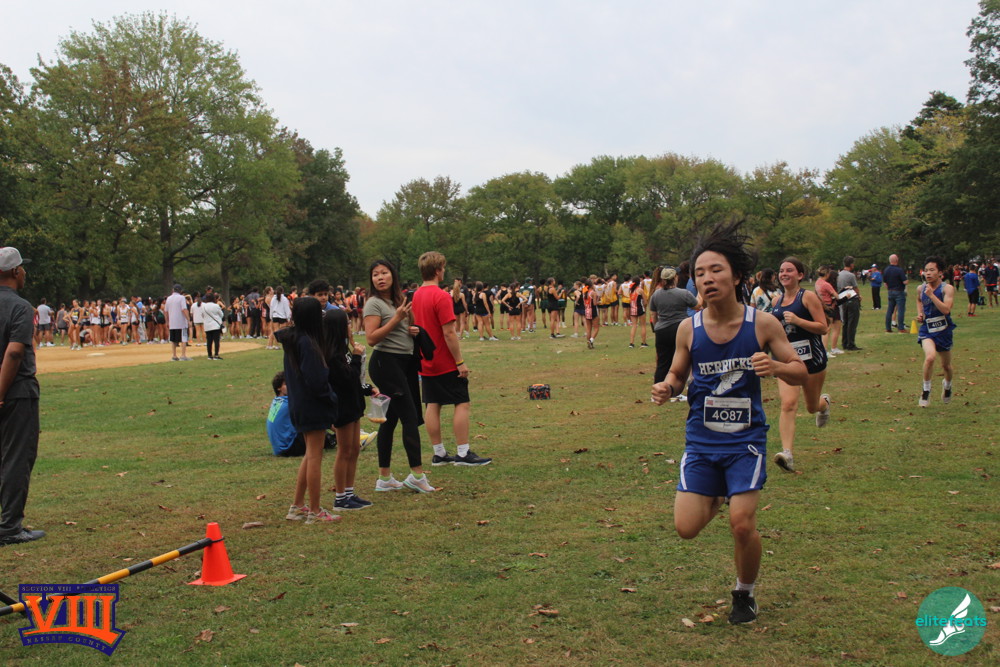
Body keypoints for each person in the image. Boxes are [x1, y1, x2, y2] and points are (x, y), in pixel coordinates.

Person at [651, 223, 806, 625]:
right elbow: (677, 373)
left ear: (736, 276)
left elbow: (800, 370)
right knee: (686, 528)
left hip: (745, 442)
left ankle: (744, 592)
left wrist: (775, 367)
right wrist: (667, 387)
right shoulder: (689, 328)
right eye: (700, 272)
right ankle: (719, 495)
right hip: (702, 442)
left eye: (716, 270)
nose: (707, 278)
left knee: (741, 525)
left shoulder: (763, 324)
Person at [412, 252, 492, 467]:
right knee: (462, 402)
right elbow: (449, 333)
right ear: (438, 270)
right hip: (444, 359)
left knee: (432, 403)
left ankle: (438, 453)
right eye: (443, 268)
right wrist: (459, 362)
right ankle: (463, 453)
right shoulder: (440, 296)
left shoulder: (416, 295)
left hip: (425, 358)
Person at [363, 260, 433, 493]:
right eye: (375, 274)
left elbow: (404, 329)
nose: (380, 277)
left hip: (404, 363)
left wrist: (413, 330)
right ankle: (417, 476)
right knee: (410, 417)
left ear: (393, 275)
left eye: (384, 273)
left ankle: (384, 478)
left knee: (390, 420)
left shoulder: (397, 301)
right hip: (386, 363)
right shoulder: (373, 303)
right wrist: (396, 319)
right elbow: (371, 338)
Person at [276, 296, 340, 524]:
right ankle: (314, 510)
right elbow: (317, 381)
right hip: (311, 405)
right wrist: (331, 399)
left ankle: (297, 506)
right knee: (315, 456)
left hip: (300, 404)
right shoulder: (307, 343)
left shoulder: (294, 339)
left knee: (310, 454)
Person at [0, 247, 45, 546]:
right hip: (15, 392)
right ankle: (10, 527)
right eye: (23, 268)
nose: (25, 273)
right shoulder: (20, 306)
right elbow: (15, 352)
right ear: (16, 271)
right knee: (16, 458)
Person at [771, 258, 831, 473]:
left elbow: (823, 327)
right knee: (788, 404)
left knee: (811, 406)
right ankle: (787, 454)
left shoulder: (807, 297)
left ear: (800, 275)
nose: (784, 274)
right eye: (781, 270)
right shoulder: (776, 301)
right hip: (787, 362)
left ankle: (824, 404)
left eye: (789, 270)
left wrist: (798, 321)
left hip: (812, 359)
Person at [323, 308, 374, 511]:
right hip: (342, 407)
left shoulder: (344, 349)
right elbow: (346, 378)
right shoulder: (332, 354)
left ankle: (350, 492)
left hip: (354, 404)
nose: (350, 326)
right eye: (347, 323)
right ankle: (340, 497)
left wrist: (368, 389)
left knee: (354, 449)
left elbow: (356, 380)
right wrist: (357, 356)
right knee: (344, 451)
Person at [916, 257, 956, 408]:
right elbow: (919, 300)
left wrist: (932, 295)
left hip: (943, 330)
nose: (928, 273)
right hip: (927, 329)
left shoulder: (947, 288)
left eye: (932, 270)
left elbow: (946, 310)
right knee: (930, 357)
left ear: (940, 272)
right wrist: (920, 313)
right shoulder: (921, 288)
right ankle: (926, 390)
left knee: (946, 366)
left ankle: (947, 385)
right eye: (926, 270)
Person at [648, 266, 697, 385]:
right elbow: (697, 306)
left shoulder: (656, 294)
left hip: (662, 330)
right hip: (680, 328)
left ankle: (658, 386)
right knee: (680, 360)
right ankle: (678, 387)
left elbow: (653, 314)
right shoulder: (684, 293)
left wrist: (656, 327)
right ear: (675, 278)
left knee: (662, 362)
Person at [268, 372, 307, 457]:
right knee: (314, 425)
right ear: (279, 388)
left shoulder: (276, 401)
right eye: (286, 384)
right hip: (289, 448)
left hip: (279, 448)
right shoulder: (289, 404)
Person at [814, 266, 842, 356]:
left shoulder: (817, 282)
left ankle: (825, 350)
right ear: (827, 274)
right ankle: (825, 350)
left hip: (821, 305)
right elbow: (837, 296)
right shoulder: (826, 284)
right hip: (828, 306)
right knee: (827, 329)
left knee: (825, 328)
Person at [836, 256, 862, 351]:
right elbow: (855, 288)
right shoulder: (851, 275)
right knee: (852, 323)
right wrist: (859, 296)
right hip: (851, 299)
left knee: (845, 322)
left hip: (843, 300)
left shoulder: (839, 274)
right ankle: (851, 343)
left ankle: (845, 342)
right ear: (851, 264)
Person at [164, 284, 191, 361]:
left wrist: (167, 321)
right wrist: (188, 320)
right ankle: (183, 355)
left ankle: (174, 355)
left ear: (173, 290)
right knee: (183, 339)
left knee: (173, 340)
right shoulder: (182, 298)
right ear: (180, 291)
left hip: (172, 322)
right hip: (181, 322)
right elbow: (184, 309)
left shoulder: (168, 298)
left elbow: (165, 311)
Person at [883, 254, 909, 333]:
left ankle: (888, 328)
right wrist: (907, 281)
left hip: (890, 291)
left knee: (890, 310)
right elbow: (905, 282)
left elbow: (885, 283)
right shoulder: (899, 270)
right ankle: (901, 328)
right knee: (900, 310)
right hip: (899, 291)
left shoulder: (886, 270)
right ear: (897, 260)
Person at [202, 293, 225, 360]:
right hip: (215, 325)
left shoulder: (203, 306)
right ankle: (216, 355)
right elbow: (221, 315)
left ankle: (209, 355)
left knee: (209, 341)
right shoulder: (216, 306)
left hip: (207, 326)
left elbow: (202, 315)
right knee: (216, 341)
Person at [627, 278, 649, 348]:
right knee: (643, 326)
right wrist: (644, 307)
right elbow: (645, 301)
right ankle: (643, 343)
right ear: (639, 283)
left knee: (634, 326)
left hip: (632, 309)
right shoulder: (640, 290)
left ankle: (631, 343)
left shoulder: (631, 290)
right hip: (640, 309)